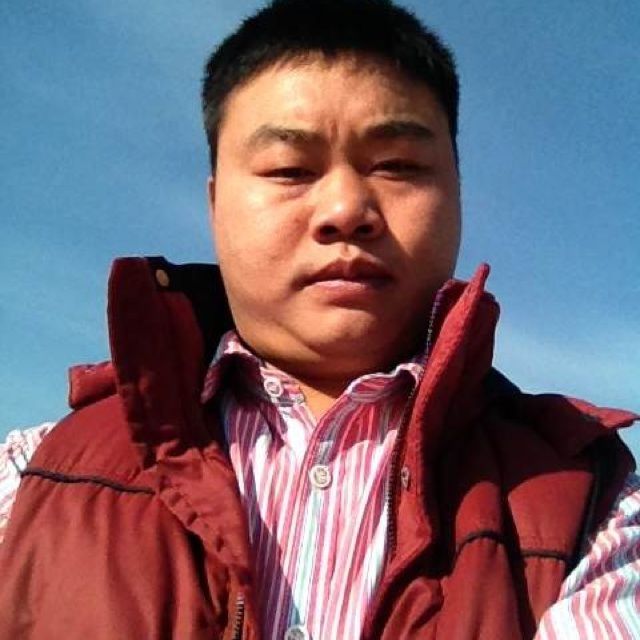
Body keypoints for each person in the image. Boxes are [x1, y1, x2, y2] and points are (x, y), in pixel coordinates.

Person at [0, 0, 638, 638]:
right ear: (216, 205)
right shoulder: (32, 476)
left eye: (398, 166)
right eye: (290, 170)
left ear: (458, 194)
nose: (345, 209)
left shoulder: (592, 499)